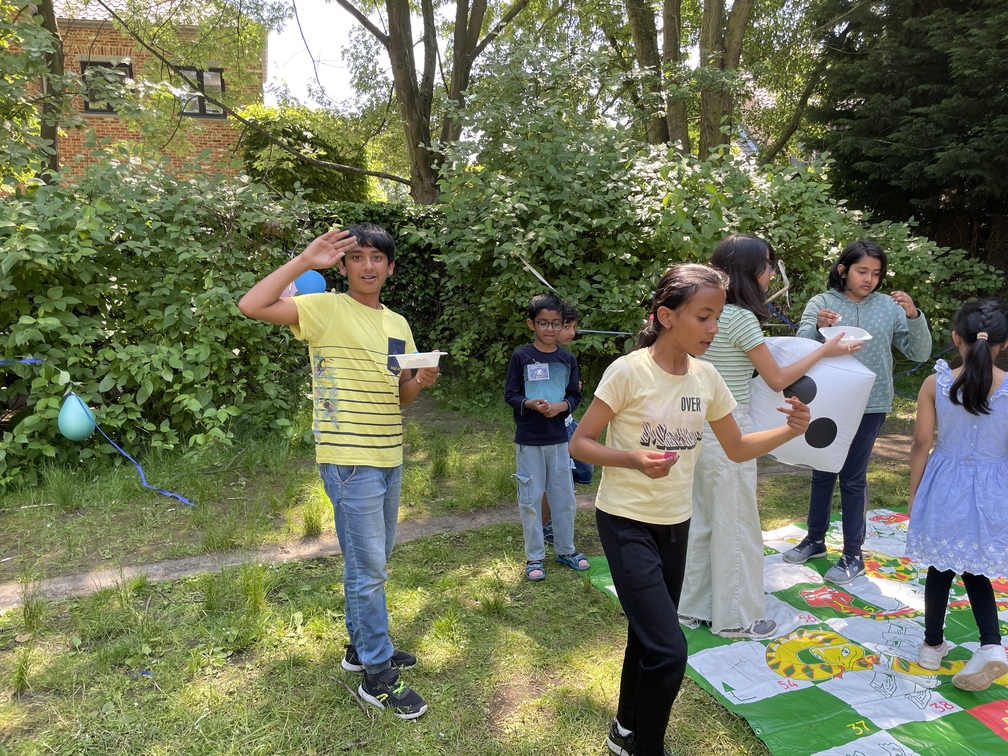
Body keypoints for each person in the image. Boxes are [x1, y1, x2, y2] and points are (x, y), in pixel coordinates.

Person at [568, 263, 811, 756]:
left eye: (717, 316)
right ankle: (648, 747)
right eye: (704, 316)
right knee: (670, 648)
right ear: (666, 316)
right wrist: (633, 459)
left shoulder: (707, 376)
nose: (714, 328)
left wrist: (790, 430)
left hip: (676, 524)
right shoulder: (628, 371)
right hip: (625, 521)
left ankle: (625, 730)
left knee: (646, 638)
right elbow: (580, 443)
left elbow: (737, 447)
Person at [238, 223, 435, 720]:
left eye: (377, 258)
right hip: (349, 459)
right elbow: (252, 305)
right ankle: (377, 674)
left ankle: (360, 647)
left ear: (391, 267)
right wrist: (306, 260)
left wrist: (420, 380)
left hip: (389, 455)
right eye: (358, 257)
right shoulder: (324, 308)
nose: (368, 266)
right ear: (343, 266)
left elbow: (401, 395)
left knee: (372, 562)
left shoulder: (398, 323)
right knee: (369, 570)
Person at [679, 234, 859, 639]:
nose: (770, 275)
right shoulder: (739, 318)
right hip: (728, 425)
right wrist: (823, 351)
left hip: (691, 423)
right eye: (767, 266)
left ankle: (692, 607)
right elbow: (777, 379)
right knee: (736, 521)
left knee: (703, 518)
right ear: (749, 271)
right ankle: (736, 618)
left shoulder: (701, 314)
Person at [783, 240, 931, 584]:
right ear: (843, 270)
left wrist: (914, 315)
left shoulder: (889, 307)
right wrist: (816, 326)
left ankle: (853, 555)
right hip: (827, 400)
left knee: (852, 476)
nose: (869, 279)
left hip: (871, 403)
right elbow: (801, 348)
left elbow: (920, 353)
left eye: (876, 274)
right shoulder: (821, 303)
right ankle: (815, 540)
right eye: (862, 271)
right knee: (822, 470)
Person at [906, 299, 1008, 691]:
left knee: (940, 566)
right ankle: (991, 644)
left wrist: (915, 494)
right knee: (975, 567)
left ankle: (932, 647)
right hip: (993, 490)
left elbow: (921, 443)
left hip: (945, 485)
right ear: (1003, 344)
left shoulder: (936, 383)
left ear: (955, 338)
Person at [504, 293, 589, 581]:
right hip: (529, 441)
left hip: (559, 439)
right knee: (530, 499)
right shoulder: (521, 356)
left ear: (563, 324)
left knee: (564, 497)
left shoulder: (568, 359)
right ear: (532, 324)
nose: (550, 329)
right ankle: (534, 557)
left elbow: (574, 396)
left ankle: (566, 550)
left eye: (556, 323)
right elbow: (511, 395)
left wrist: (561, 407)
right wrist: (530, 404)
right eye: (543, 323)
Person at [541, 302, 594, 546]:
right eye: (566, 327)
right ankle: (544, 526)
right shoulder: (538, 357)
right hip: (549, 431)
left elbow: (571, 395)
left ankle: (559, 522)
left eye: (573, 327)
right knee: (548, 482)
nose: (571, 332)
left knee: (569, 476)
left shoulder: (567, 358)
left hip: (569, 425)